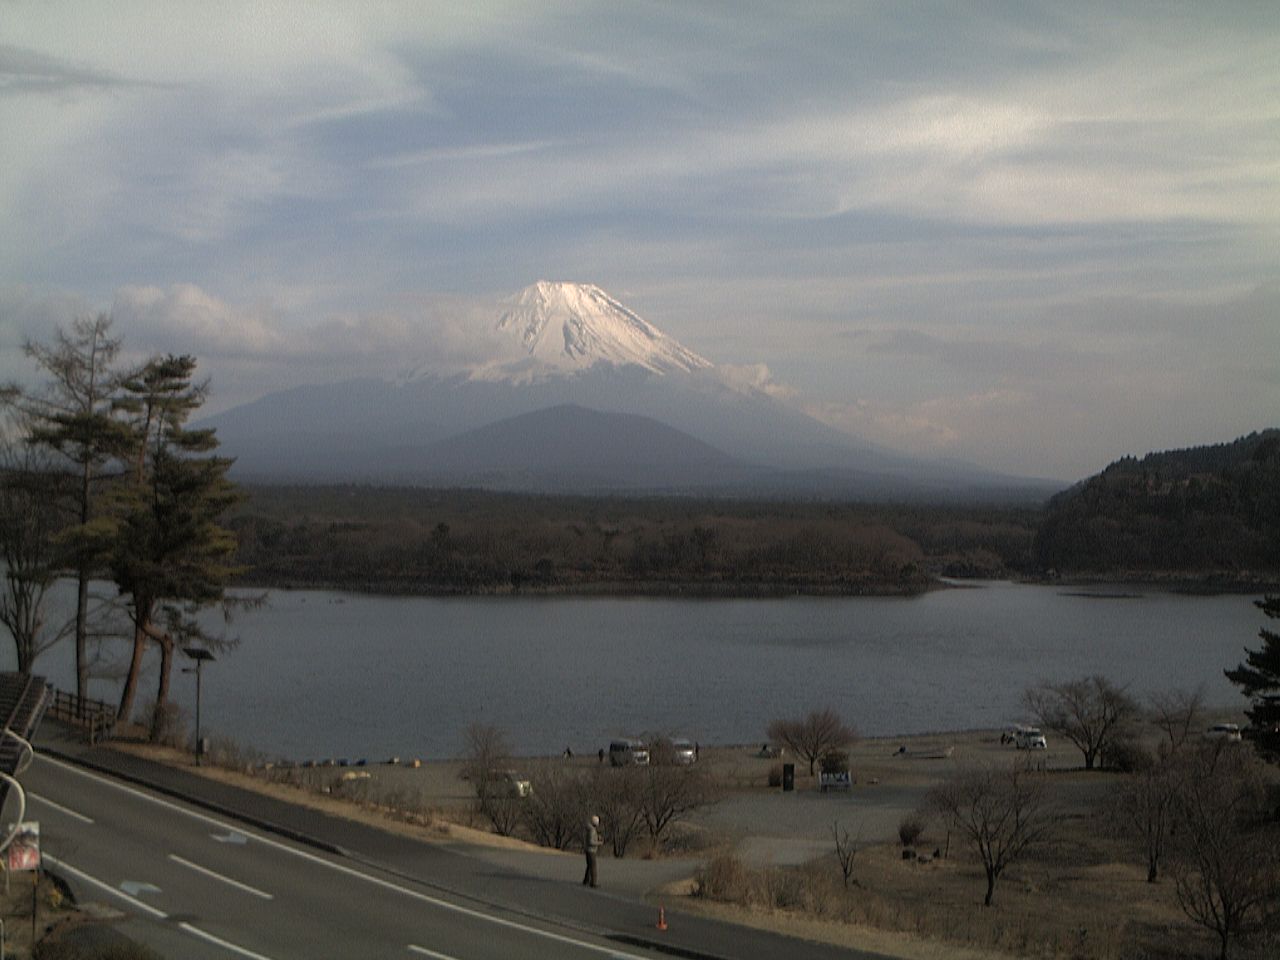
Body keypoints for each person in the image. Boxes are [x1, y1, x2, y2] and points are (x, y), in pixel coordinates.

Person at [582, 814, 601, 888]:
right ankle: (593, 882)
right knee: (593, 867)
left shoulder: (590, 829)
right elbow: (591, 842)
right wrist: (599, 843)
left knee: (589, 866)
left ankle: (586, 880)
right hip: (591, 850)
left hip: (588, 850)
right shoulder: (592, 830)